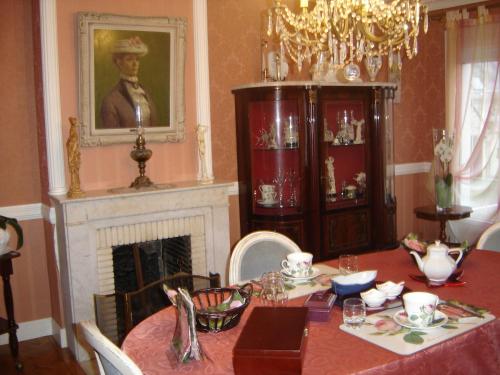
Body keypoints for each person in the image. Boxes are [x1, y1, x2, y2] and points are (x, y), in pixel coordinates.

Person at [100, 36, 157, 129]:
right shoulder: (111, 100)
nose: (135, 64)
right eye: (129, 59)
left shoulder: (145, 92)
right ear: (119, 62)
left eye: (137, 59)